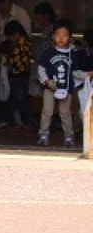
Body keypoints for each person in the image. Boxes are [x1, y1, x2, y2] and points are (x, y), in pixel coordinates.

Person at [36, 19, 86, 147]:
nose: (61, 38)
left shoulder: (72, 54)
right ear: (53, 36)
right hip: (50, 88)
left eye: (64, 35)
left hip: (66, 88)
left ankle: (69, 136)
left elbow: (75, 72)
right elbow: (41, 68)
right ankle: (43, 134)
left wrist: (87, 75)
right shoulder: (48, 52)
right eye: (58, 34)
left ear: (70, 37)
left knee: (65, 113)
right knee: (47, 111)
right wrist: (46, 81)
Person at [0, 20, 34, 129]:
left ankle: (26, 122)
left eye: (10, 36)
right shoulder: (28, 42)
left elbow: (12, 61)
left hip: (16, 75)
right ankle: (23, 122)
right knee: (22, 99)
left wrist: (2, 59)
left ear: (16, 34)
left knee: (19, 100)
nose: (9, 39)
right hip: (25, 74)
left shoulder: (18, 45)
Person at [30, 2, 56, 97]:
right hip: (49, 69)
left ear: (46, 16)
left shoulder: (50, 31)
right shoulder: (48, 29)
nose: (37, 20)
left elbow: (42, 50)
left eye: (38, 17)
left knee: (48, 95)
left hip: (49, 70)